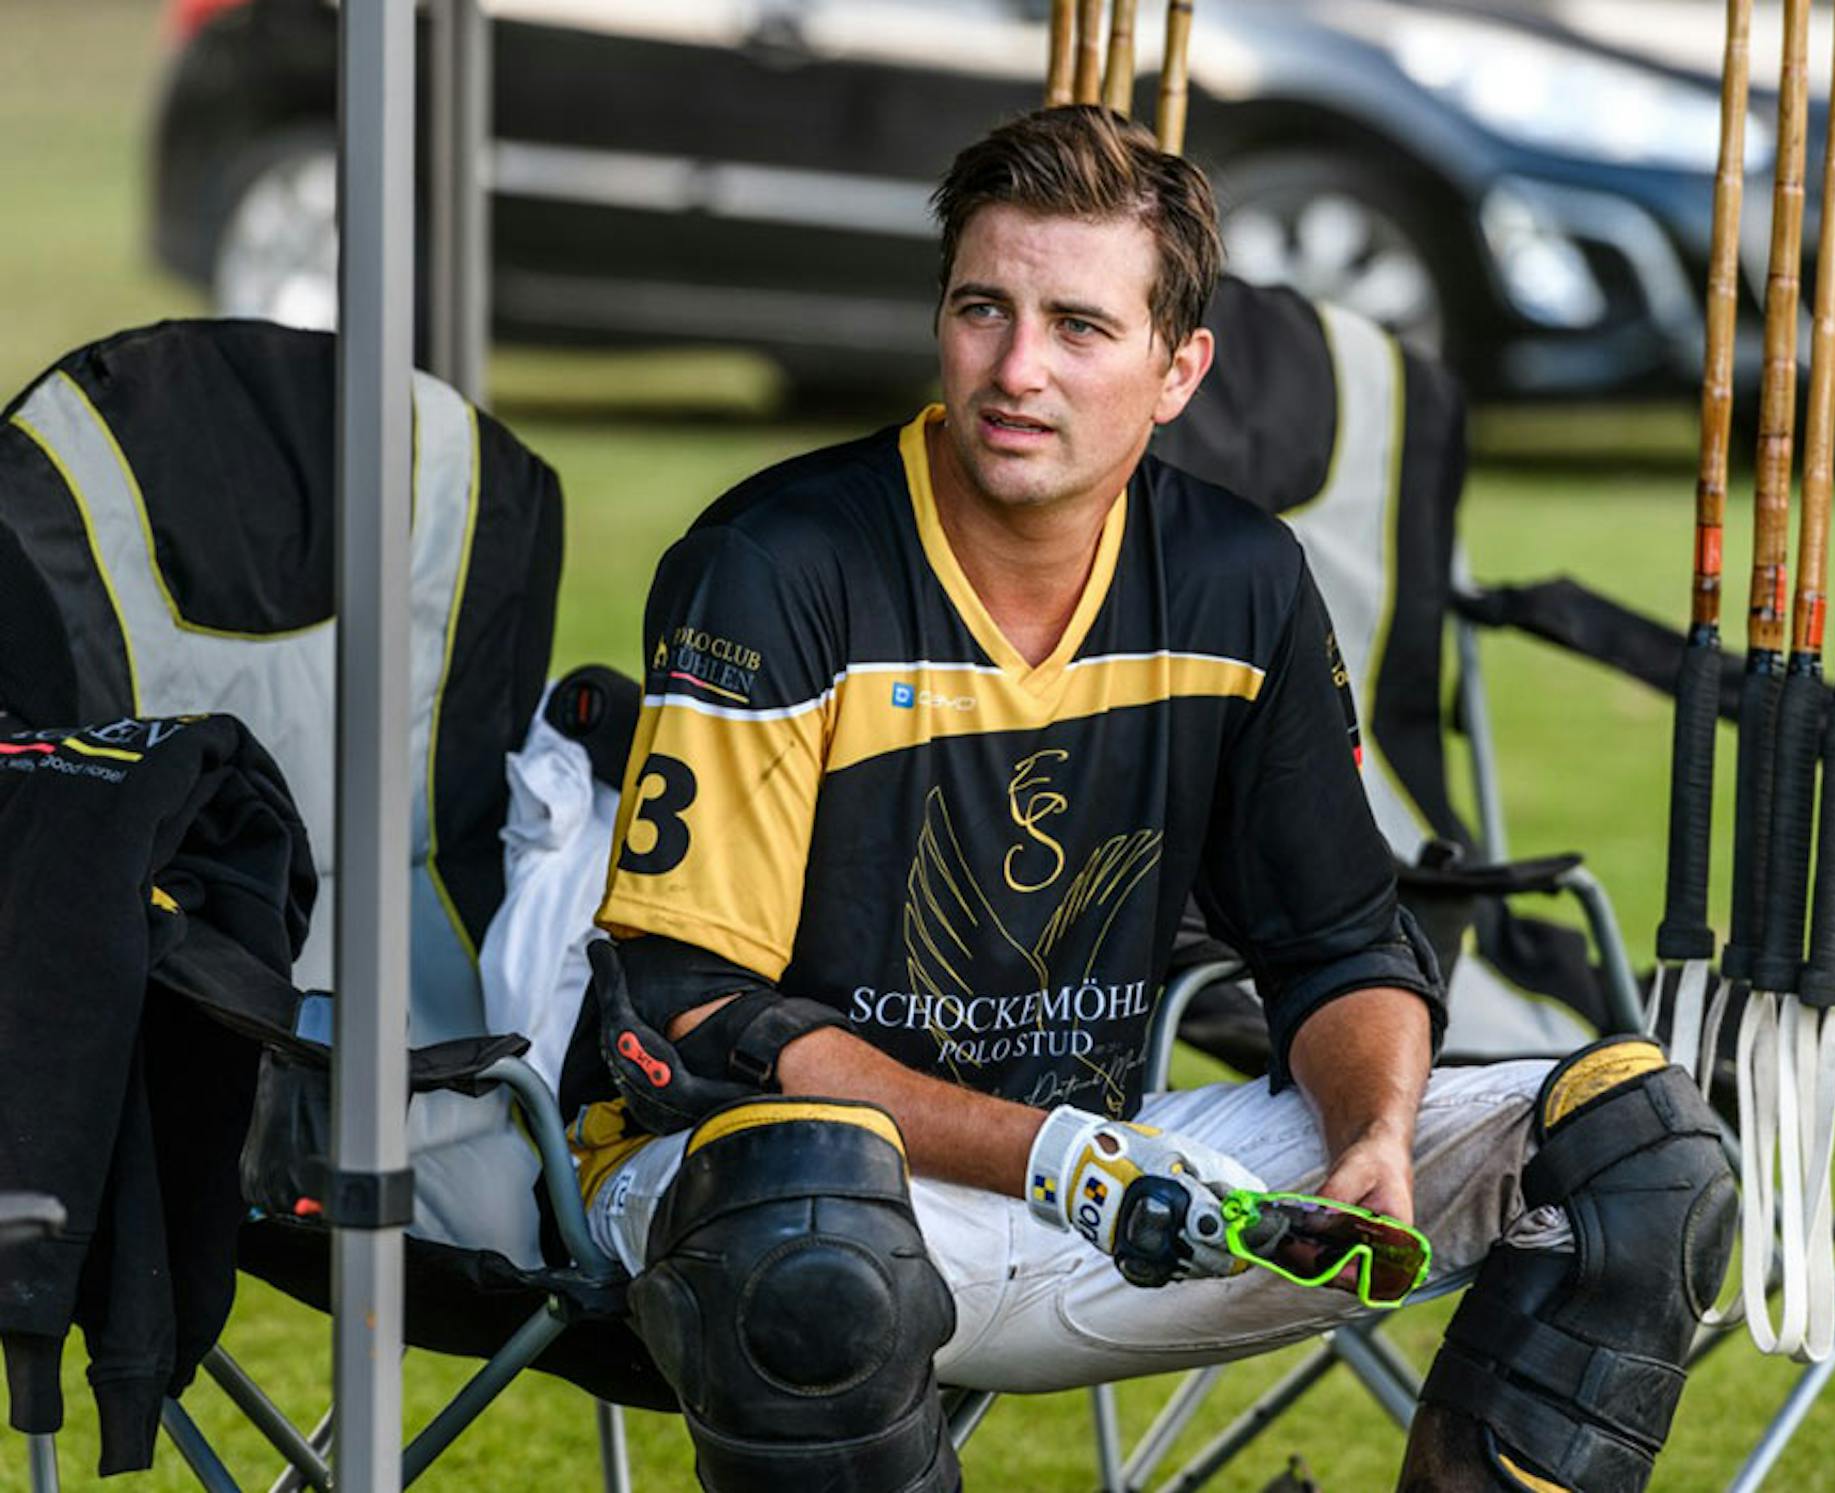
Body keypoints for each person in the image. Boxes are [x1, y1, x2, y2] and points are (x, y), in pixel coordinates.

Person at [562, 106, 1734, 1493]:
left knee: (1642, 1152)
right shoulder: (775, 563)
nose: (1015, 370)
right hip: (763, 1191)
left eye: (1078, 327)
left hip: (1109, 1181)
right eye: (982, 308)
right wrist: (1048, 1152)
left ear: (1179, 370)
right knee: (814, 1254)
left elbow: (1341, 941)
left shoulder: (1240, 578)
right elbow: (700, 1008)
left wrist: (1367, 1131)